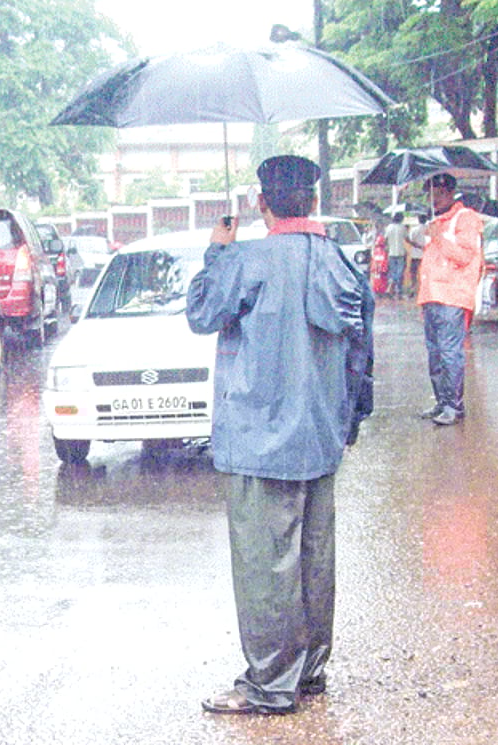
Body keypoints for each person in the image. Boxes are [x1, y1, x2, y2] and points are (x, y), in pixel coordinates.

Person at [186, 155, 374, 715]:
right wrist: (348, 422)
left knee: (265, 563)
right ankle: (309, 668)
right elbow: (362, 352)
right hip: (319, 435)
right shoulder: (342, 263)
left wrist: (218, 249)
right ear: (313, 201)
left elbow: (201, 312)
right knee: (314, 557)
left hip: (259, 438)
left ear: (262, 203)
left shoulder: (248, 259)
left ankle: (270, 683)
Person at [415, 173, 483, 425]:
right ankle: (442, 402)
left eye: (438, 194)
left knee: (449, 353)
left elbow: (465, 256)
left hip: (451, 298)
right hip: (432, 297)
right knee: (435, 354)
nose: (433, 199)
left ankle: (454, 406)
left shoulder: (465, 219)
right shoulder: (438, 222)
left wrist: (439, 237)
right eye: (431, 194)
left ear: (449, 192)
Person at [383, 212, 408, 298]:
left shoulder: (388, 228)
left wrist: (386, 247)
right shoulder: (403, 228)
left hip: (391, 253)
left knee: (392, 271)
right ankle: (397, 289)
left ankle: (390, 287)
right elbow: (407, 239)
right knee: (399, 272)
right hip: (401, 253)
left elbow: (385, 240)